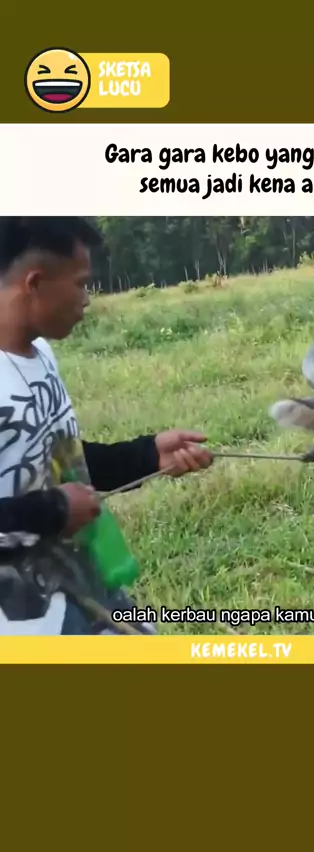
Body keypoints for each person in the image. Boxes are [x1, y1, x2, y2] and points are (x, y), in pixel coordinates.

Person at [0, 217, 214, 635]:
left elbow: (60, 462)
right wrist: (54, 510)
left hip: (80, 578)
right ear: (35, 282)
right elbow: (54, 498)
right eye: (81, 284)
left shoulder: (41, 356)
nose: (87, 299)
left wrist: (148, 455)